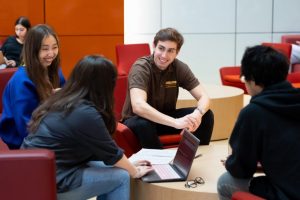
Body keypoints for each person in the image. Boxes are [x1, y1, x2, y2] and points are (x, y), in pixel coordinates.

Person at [21, 55, 153, 200]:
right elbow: (111, 153)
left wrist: (127, 164)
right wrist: (133, 171)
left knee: (119, 169)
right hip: (54, 180)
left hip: (35, 174)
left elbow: (105, 154)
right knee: (121, 177)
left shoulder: (63, 99)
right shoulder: (85, 113)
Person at [217, 45, 300, 200]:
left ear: (253, 80)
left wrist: (231, 162)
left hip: (289, 193)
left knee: (225, 182)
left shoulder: (254, 113)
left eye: (244, 79)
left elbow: (241, 169)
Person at [121, 27, 214, 149]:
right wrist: (175, 122)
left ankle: (192, 158)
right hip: (136, 121)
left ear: (177, 52)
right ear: (154, 46)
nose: (164, 55)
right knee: (143, 124)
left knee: (207, 115)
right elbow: (138, 106)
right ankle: (159, 164)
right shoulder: (141, 67)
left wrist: (197, 114)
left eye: (171, 51)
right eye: (161, 48)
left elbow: (204, 97)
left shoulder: (179, 67)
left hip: (164, 119)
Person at [0, 24, 65, 149]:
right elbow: (25, 126)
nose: (51, 53)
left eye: (54, 47)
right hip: (24, 139)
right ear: (33, 50)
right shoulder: (22, 80)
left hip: (48, 125)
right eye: (45, 49)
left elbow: (66, 95)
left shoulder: (54, 69)